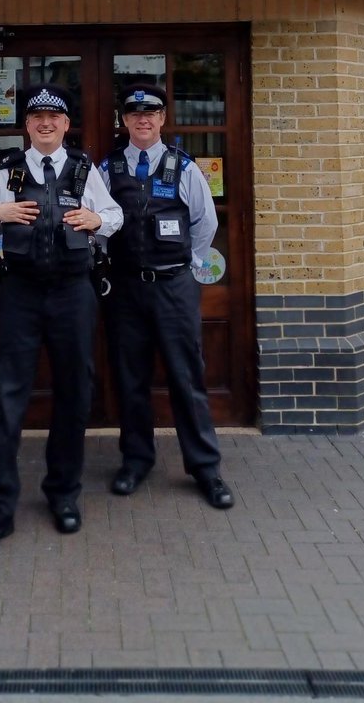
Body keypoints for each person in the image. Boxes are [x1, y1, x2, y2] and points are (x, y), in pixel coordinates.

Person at [0, 83, 123, 558]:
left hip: (73, 294)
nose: (45, 124)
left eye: (54, 119)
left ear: (66, 125)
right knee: (10, 399)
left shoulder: (83, 168)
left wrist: (97, 222)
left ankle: (64, 494)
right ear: (28, 126)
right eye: (37, 118)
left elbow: (114, 216)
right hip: (22, 294)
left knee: (74, 395)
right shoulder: (10, 170)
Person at [99, 83, 234, 509]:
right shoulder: (108, 169)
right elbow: (99, 225)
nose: (143, 119)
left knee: (186, 377)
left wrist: (185, 264)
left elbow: (205, 224)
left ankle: (205, 468)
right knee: (130, 378)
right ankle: (136, 461)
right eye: (134, 113)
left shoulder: (185, 167)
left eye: (151, 112)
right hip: (125, 289)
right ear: (124, 121)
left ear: (161, 119)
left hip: (174, 286)